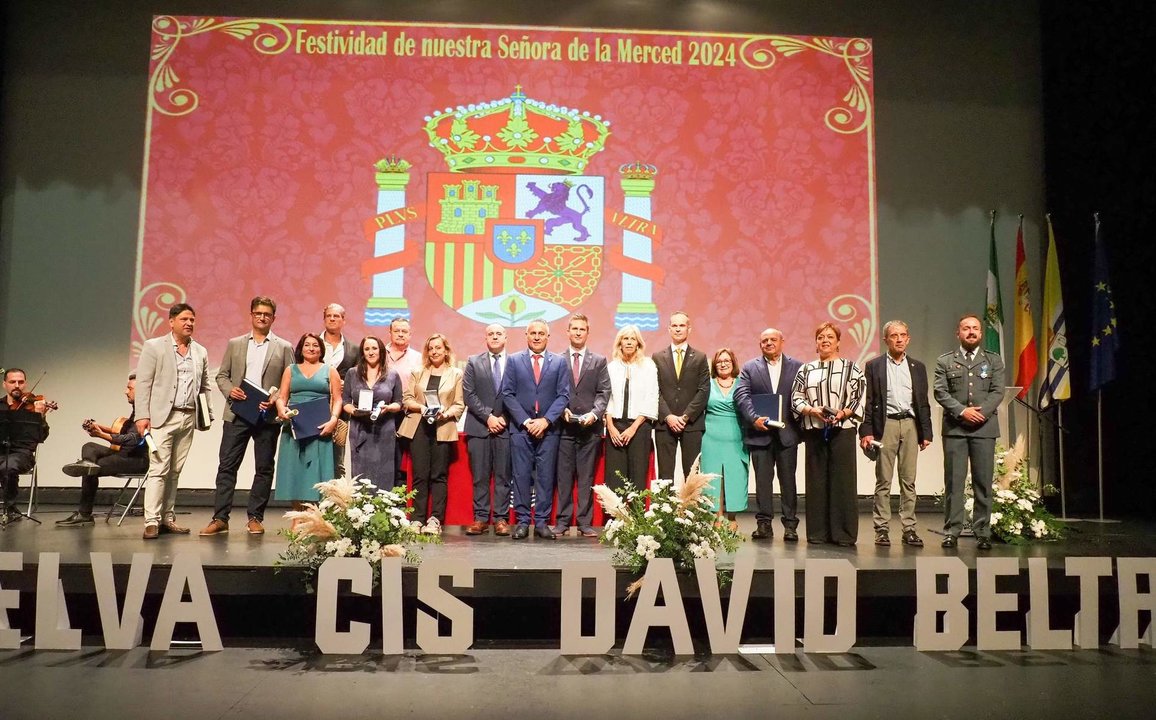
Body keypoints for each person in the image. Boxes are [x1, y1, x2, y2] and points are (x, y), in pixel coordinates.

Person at [200, 296, 294, 537]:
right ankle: (220, 518)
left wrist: (275, 398)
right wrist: (230, 389)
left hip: (267, 415)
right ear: (251, 315)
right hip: (238, 413)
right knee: (227, 466)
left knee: (263, 468)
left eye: (267, 314)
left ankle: (255, 517)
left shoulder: (283, 346)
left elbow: (290, 381)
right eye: (258, 313)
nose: (262, 317)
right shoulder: (236, 343)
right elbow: (222, 376)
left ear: (274, 318)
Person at [134, 303, 211, 540]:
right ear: (172, 322)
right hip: (162, 417)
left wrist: (206, 413)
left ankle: (168, 518)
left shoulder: (200, 351)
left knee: (175, 471)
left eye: (192, 320)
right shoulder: (154, 346)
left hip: (188, 416)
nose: (189, 323)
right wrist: (142, 415)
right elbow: (144, 383)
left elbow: (205, 385)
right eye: (184, 319)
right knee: (159, 469)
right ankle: (151, 521)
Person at [859, 320, 934, 547]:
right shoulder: (874, 366)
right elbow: (869, 401)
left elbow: (923, 402)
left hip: (910, 424)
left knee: (908, 480)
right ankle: (881, 529)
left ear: (908, 339)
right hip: (886, 425)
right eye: (894, 335)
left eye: (903, 335)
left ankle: (909, 528)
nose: (899, 339)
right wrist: (867, 431)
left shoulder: (918, 367)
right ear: (886, 340)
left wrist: (926, 432)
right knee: (883, 479)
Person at [933, 314, 1005, 551]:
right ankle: (952, 531)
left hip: (984, 429)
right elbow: (940, 392)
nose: (971, 332)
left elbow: (997, 392)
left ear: (981, 333)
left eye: (975, 328)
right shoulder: (945, 361)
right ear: (958, 333)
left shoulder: (993, 361)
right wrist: (963, 411)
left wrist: (980, 413)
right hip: (955, 429)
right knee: (954, 482)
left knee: (983, 482)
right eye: (966, 328)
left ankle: (982, 532)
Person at [790, 322, 865, 546]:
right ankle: (818, 533)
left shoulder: (852, 368)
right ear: (816, 343)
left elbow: (859, 396)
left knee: (843, 482)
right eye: (821, 337)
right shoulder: (806, 369)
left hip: (842, 431)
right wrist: (813, 410)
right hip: (815, 430)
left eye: (830, 336)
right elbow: (796, 397)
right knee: (816, 482)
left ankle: (843, 534)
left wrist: (842, 413)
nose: (825, 340)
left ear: (838, 342)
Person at [500, 319, 571, 541]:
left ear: (548, 337)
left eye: (541, 333)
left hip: (549, 430)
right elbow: (507, 394)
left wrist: (546, 421)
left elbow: (563, 395)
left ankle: (541, 522)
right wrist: (526, 421)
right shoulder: (513, 360)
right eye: (533, 333)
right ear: (526, 335)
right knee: (520, 475)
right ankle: (522, 521)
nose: (537, 336)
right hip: (521, 429)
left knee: (545, 476)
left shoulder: (559, 362)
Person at [734, 328, 804, 541]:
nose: (769, 343)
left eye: (773, 339)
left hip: (787, 433)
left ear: (783, 341)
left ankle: (790, 525)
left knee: (788, 481)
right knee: (763, 482)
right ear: (760, 344)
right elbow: (741, 395)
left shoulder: (798, 366)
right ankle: (764, 524)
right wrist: (754, 417)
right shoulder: (749, 367)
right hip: (760, 433)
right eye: (764, 340)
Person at [58, 373, 147, 527]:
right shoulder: (136, 409)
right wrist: (99, 427)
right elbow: (122, 433)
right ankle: (87, 465)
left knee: (91, 469)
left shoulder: (146, 412)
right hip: (123, 453)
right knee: (89, 447)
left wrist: (101, 435)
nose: (126, 391)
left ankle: (84, 513)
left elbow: (132, 440)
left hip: (136, 460)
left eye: (129, 388)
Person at [397, 333, 464, 536]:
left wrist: (446, 413)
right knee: (419, 476)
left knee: (438, 476)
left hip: (442, 428)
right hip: (419, 427)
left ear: (446, 350)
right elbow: (407, 399)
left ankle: (435, 519)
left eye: (438, 348)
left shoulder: (456, 373)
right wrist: (421, 408)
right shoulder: (418, 372)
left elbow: (459, 405)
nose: (435, 351)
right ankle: (417, 519)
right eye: (431, 348)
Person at [553, 314, 611, 538]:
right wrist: (562, 410)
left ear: (588, 332)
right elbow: (554, 392)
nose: (578, 332)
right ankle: (562, 522)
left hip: (590, 430)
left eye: (582, 329)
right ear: (567, 332)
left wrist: (595, 414)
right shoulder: (557, 360)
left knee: (586, 477)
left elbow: (603, 392)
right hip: (564, 428)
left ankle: (585, 522)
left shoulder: (599, 360)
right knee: (564, 477)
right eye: (574, 329)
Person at [273, 333, 342, 507]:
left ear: (321, 350)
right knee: (293, 469)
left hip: (319, 427)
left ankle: (314, 514)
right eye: (307, 345)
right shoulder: (291, 369)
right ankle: (297, 514)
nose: (311, 348)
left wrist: (333, 420)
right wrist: (281, 408)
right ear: (301, 349)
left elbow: (338, 399)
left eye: (315, 345)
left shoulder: (330, 370)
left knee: (316, 470)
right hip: (295, 426)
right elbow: (282, 396)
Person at [462, 324, 512, 537]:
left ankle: (501, 519)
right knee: (480, 476)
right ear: (485, 338)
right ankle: (481, 518)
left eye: (498, 333)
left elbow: (520, 395)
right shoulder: (474, 362)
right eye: (490, 333)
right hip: (479, 427)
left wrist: (504, 418)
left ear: (505, 337)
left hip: (506, 428)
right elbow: (468, 395)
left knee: (503, 476)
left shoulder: (516, 362)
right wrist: (489, 417)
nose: (494, 337)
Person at [653, 311, 710, 481]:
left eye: (682, 325)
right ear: (669, 329)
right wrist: (669, 416)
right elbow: (654, 390)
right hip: (665, 424)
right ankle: (664, 507)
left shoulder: (700, 357)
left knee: (692, 474)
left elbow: (704, 390)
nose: (678, 329)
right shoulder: (657, 357)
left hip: (691, 424)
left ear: (689, 329)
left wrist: (685, 417)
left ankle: (691, 507)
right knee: (665, 475)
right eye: (675, 326)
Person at [603, 325, 659, 496]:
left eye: (632, 338)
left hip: (640, 427)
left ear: (638, 343)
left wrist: (633, 428)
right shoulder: (611, 367)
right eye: (625, 338)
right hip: (615, 426)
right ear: (619, 343)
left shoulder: (648, 365)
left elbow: (652, 396)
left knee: (637, 476)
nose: (628, 342)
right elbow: (607, 398)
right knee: (615, 477)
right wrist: (611, 427)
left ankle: (636, 520)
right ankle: (615, 519)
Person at [341, 336, 403, 489]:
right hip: (359, 429)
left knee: (383, 473)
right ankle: (360, 511)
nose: (371, 352)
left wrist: (389, 408)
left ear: (381, 351)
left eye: (374, 348)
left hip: (384, 429)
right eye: (367, 349)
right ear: (362, 352)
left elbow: (399, 402)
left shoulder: (393, 374)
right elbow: (346, 402)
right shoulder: (352, 373)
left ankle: (382, 510)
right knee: (360, 473)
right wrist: (355, 411)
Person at [699, 348, 749, 528]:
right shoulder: (707, 383)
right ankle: (716, 517)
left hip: (736, 436)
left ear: (733, 363)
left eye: (727, 360)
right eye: (719, 361)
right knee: (713, 477)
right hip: (711, 437)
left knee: (735, 476)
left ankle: (732, 519)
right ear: (714, 365)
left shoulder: (742, 383)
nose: (723, 363)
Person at [1, 368, 51, 523]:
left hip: (22, 454)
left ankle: (10, 508)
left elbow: (41, 436)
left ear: (25, 384)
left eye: (20, 382)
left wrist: (40, 416)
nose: (17, 385)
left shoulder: (33, 406)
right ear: (5, 385)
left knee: (7, 466)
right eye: (12, 382)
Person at [320, 303, 360, 478]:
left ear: (343, 320)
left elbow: (359, 379)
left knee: (338, 456)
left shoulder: (353, 349)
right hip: (315, 404)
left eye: (336, 316)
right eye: (329, 315)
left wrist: (347, 385)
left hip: (341, 409)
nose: (332, 319)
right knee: (314, 453)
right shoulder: (313, 344)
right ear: (324, 319)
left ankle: (337, 501)